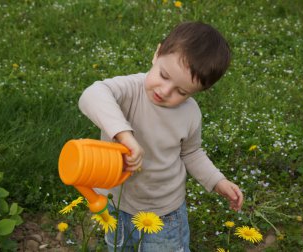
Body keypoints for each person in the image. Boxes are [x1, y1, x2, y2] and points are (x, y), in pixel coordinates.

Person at [78, 21, 243, 251]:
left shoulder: (190, 114)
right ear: (157, 54)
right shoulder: (129, 90)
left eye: (182, 91)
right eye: (164, 75)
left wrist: (217, 181)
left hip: (164, 212)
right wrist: (125, 135)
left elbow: (192, 153)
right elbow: (91, 95)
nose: (164, 91)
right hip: (115, 202)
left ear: (198, 91)